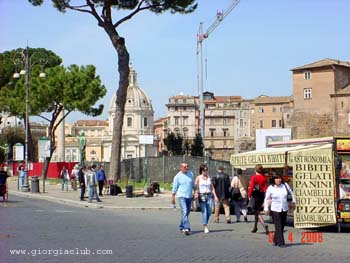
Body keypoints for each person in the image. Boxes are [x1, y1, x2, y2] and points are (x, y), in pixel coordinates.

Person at [264, 174, 295, 248]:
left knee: (282, 225)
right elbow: (267, 199)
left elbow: (291, 192)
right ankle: (281, 242)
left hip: (284, 208)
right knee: (278, 226)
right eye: (277, 179)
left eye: (280, 178)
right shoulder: (270, 188)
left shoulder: (285, 185)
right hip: (275, 209)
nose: (279, 180)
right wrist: (266, 208)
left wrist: (293, 201)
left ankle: (275, 240)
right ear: (274, 180)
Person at [171, 162, 195, 235]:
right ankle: (186, 228)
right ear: (181, 168)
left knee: (187, 212)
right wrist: (173, 198)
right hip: (181, 196)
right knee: (184, 211)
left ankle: (182, 226)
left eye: (187, 166)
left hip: (189, 196)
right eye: (185, 167)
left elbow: (193, 185)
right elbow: (174, 188)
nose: (187, 168)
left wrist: (196, 192)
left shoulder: (191, 174)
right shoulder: (177, 176)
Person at [194, 164, 218, 233]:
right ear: (201, 171)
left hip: (209, 195)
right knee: (204, 212)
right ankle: (205, 226)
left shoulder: (209, 178)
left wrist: (215, 196)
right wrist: (196, 193)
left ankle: (205, 222)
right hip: (202, 195)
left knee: (210, 211)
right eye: (204, 170)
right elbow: (196, 186)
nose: (206, 171)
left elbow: (212, 188)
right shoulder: (198, 177)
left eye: (206, 170)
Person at [248, 164, 269, 234]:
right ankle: (255, 227)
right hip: (262, 195)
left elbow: (251, 187)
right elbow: (266, 188)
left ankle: (264, 225)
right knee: (256, 212)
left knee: (257, 212)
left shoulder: (254, 177)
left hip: (256, 195)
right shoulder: (264, 177)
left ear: (255, 170)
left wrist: (249, 195)